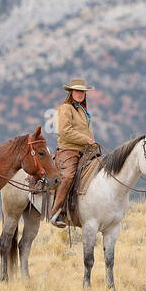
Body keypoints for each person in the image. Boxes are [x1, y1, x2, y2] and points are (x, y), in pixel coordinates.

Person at [50, 78, 99, 227]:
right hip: (68, 150)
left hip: (85, 151)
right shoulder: (66, 108)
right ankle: (56, 213)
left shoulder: (82, 111)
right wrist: (86, 139)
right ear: (71, 92)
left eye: (82, 92)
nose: (80, 94)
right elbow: (64, 132)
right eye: (77, 91)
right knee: (68, 176)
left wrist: (91, 143)